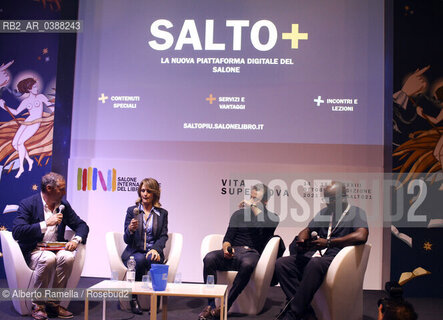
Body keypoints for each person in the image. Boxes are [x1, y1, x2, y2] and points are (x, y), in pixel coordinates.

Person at [275, 181, 369, 320]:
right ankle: (306, 313)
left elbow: (362, 235)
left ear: (343, 197)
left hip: (338, 258)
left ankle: (293, 313)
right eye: (326, 199)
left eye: (331, 199)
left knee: (315, 264)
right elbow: (307, 230)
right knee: (282, 264)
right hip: (318, 256)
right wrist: (302, 240)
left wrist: (330, 243)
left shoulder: (356, 212)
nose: (327, 202)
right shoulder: (325, 212)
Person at [12, 172, 89, 320]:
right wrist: (45, 224)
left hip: (57, 249)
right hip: (35, 250)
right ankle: (38, 305)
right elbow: (17, 231)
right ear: (49, 188)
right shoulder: (29, 204)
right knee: (47, 258)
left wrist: (75, 240)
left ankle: (53, 304)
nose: (64, 192)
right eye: (61, 188)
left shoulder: (63, 206)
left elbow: (81, 225)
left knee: (67, 257)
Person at [198, 184, 279, 320]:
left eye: (256, 199)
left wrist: (253, 207)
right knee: (209, 258)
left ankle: (225, 306)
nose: (251, 201)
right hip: (234, 251)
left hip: (251, 253)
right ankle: (211, 305)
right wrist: (226, 247)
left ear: (265, 201)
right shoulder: (238, 215)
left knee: (247, 264)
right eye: (251, 198)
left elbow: (263, 226)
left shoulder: (272, 217)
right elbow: (228, 237)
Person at [121, 177, 168, 315]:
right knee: (139, 260)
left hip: (153, 251)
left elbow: (163, 236)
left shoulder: (162, 213)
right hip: (134, 251)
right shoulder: (132, 211)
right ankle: (133, 299)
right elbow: (126, 239)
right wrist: (130, 229)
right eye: (142, 191)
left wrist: (156, 249)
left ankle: (156, 301)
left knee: (154, 260)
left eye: (148, 191)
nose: (145, 194)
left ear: (154, 194)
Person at [0, 77, 52, 178]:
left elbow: (51, 106)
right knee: (15, 143)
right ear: (29, 89)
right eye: (34, 87)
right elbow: (15, 112)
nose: (37, 88)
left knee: (20, 143)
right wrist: (4, 106)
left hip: (35, 122)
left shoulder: (41, 97)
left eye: (36, 86)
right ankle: (29, 160)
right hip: (27, 121)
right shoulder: (25, 102)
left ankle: (21, 168)